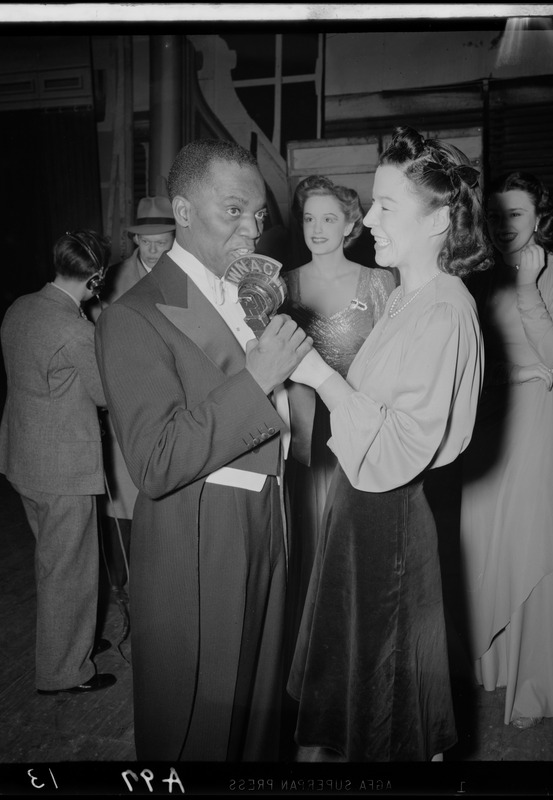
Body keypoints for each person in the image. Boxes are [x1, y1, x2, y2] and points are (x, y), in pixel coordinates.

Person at [94, 138, 312, 761]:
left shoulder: (254, 295)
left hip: (271, 514)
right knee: (201, 720)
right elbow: (157, 462)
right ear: (184, 213)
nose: (253, 231)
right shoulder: (132, 316)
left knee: (260, 711)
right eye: (234, 211)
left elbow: (284, 420)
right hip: (199, 532)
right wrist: (259, 377)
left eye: (260, 216)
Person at [285, 125, 492, 762]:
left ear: (438, 222)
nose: (367, 218)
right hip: (364, 516)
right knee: (358, 706)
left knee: (386, 715)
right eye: (371, 203)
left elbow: (402, 446)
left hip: (389, 522)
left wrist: (320, 376)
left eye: (386, 205)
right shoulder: (407, 296)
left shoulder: (444, 309)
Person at [0, 230, 117, 695]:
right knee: (68, 569)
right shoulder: (75, 329)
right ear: (97, 277)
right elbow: (105, 394)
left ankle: (72, 642)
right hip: (63, 467)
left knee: (55, 562)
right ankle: (64, 671)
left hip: (23, 457)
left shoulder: (22, 307)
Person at [459, 172, 553, 730]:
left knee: (528, 544)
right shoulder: (479, 278)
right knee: (483, 545)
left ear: (540, 216)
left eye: (515, 215)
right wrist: (515, 372)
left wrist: (528, 288)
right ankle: (492, 669)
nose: (502, 226)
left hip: (541, 429)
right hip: (490, 429)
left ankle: (534, 679)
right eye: (496, 216)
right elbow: (468, 365)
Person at [283, 175, 395, 648]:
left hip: (360, 427)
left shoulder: (379, 281)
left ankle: (362, 637)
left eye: (329, 218)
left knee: (359, 538)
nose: (317, 228)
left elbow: (395, 360)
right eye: (309, 218)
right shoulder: (281, 283)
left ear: (351, 223)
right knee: (312, 538)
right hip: (306, 433)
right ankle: (314, 643)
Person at [90, 196, 175, 593]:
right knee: (122, 501)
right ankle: (121, 584)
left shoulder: (184, 276)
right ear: (135, 240)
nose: (155, 251)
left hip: (171, 401)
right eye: (147, 242)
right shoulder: (109, 280)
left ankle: (156, 585)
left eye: (163, 241)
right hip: (123, 403)